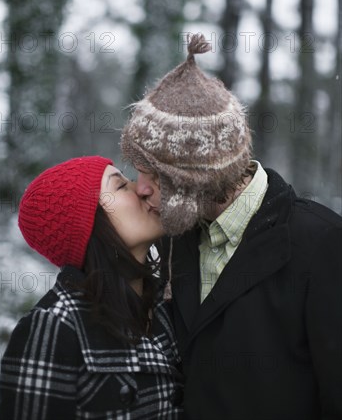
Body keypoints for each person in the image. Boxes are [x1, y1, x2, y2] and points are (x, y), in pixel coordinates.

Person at [120, 33, 342, 420]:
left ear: (197, 176)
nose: (139, 189)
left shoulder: (322, 244)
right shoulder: (174, 234)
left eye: (153, 174)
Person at [0, 156, 184, 419]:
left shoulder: (169, 303)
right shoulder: (54, 326)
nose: (141, 188)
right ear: (87, 224)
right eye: (120, 186)